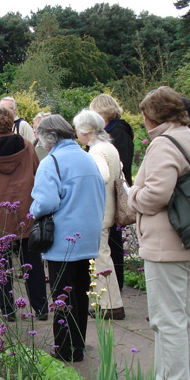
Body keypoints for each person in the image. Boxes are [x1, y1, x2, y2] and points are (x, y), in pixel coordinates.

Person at [128, 86, 190, 380]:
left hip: (169, 244)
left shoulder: (164, 144)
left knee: (168, 319)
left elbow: (157, 195)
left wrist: (133, 194)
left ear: (152, 116)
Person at [30, 114, 105, 363]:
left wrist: (33, 211)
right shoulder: (87, 157)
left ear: (46, 137)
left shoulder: (52, 161)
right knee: (81, 293)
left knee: (63, 295)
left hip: (63, 238)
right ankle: (78, 345)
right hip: (88, 235)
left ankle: (64, 349)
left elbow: (46, 202)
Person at [0, 105, 47, 321]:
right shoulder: (26, 146)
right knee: (32, 262)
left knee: (1, 265)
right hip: (25, 211)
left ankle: (8, 311)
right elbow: (37, 173)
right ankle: (41, 309)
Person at [73, 109, 125, 320]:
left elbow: (102, 176)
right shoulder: (109, 147)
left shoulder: (95, 152)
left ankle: (110, 305)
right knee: (103, 256)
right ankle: (108, 303)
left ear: (85, 130)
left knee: (100, 258)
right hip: (109, 208)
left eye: (77, 128)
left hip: (99, 211)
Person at [89, 94, 134, 291]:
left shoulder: (118, 132)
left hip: (114, 191)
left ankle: (116, 285)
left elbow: (120, 166)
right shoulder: (109, 131)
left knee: (113, 242)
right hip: (109, 191)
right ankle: (111, 285)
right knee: (109, 241)